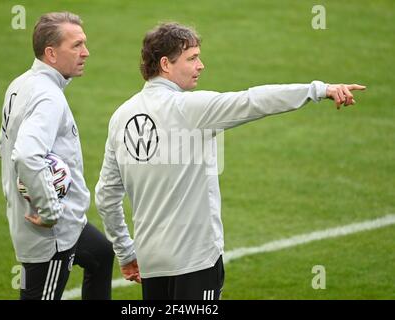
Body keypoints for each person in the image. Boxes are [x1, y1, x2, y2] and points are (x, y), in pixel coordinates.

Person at [94, 22, 366, 300]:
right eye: (193, 58)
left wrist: (126, 252)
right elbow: (253, 101)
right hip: (196, 260)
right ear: (166, 63)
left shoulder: (121, 117)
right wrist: (318, 89)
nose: (201, 65)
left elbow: (105, 196)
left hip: (152, 264)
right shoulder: (189, 109)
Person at [0, 12, 114, 300]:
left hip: (67, 222)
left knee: (101, 255)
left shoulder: (20, 84)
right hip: (50, 234)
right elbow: (25, 155)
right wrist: (48, 210)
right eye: (76, 45)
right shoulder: (48, 97)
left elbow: (3, 145)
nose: (86, 53)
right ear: (51, 53)